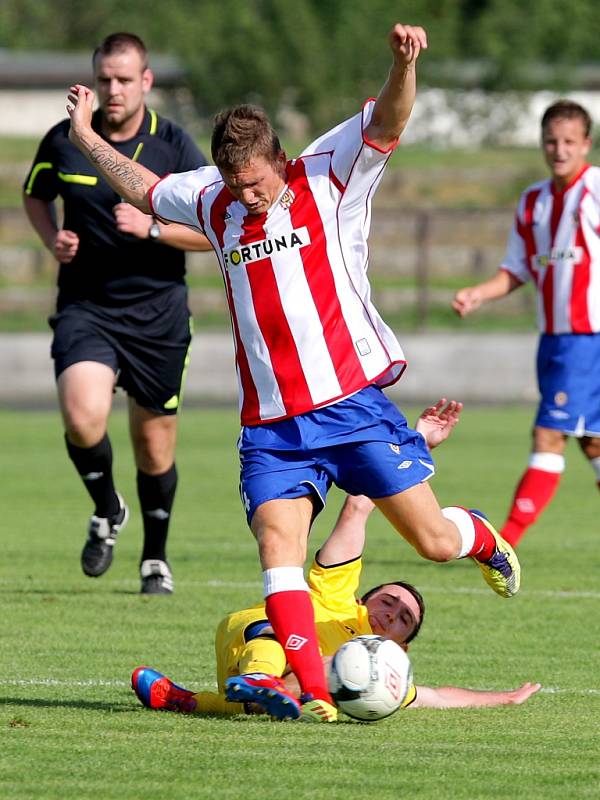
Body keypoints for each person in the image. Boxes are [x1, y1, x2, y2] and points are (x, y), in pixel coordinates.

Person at [65, 22, 521, 723]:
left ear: (279, 159)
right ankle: (314, 693)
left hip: (351, 403)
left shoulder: (329, 171)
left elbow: (391, 119)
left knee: (433, 542)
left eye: (255, 184)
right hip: (273, 424)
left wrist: (403, 65)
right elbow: (148, 187)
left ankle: (483, 538)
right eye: (234, 186)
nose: (246, 197)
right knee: (279, 548)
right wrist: (88, 136)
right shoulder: (214, 200)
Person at [130, 401, 540, 720]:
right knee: (292, 643)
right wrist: (416, 440)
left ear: (403, 646)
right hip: (252, 634)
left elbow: (436, 697)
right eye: (388, 602)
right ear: (364, 599)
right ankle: (259, 677)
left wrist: (505, 697)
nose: (391, 614)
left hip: (277, 683)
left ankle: (184, 699)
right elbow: (359, 505)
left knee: (302, 690)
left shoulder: (381, 666)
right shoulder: (338, 594)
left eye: (403, 620)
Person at [23, 33, 212, 594]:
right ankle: (107, 508)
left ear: (146, 82)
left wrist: (153, 226)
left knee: (154, 449)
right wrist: (51, 236)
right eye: (104, 78)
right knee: (82, 419)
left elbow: (212, 228)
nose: (113, 89)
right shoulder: (63, 140)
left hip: (158, 316)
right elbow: (35, 195)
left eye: (124, 79)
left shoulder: (174, 147)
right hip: (87, 308)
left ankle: (155, 558)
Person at [452, 99, 600, 548]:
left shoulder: (595, 189)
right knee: (591, 442)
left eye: (569, 142)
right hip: (553, 340)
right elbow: (516, 270)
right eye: (552, 141)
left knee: (549, 432)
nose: (559, 150)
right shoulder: (533, 201)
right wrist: (479, 292)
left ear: (586, 145)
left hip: (588, 338)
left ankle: (505, 544)